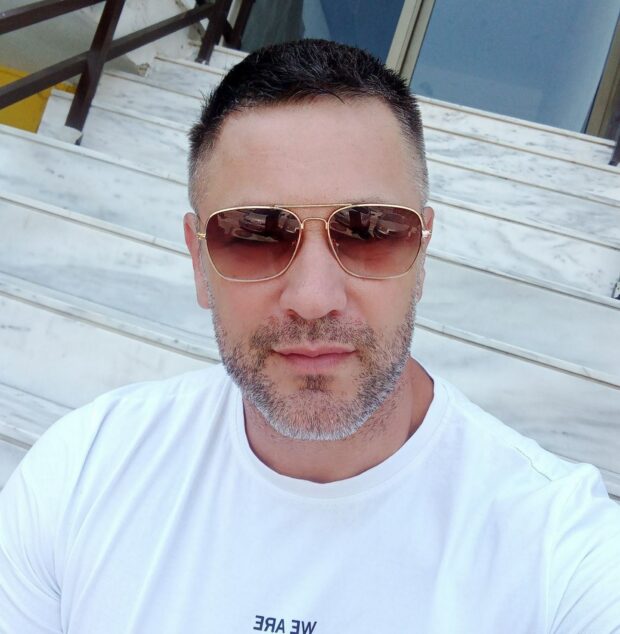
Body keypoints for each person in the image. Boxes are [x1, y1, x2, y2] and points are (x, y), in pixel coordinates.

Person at [1, 39, 618, 634]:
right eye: (254, 233)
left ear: (422, 254)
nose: (314, 297)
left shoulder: (560, 555)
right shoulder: (81, 474)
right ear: (197, 261)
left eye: (371, 231)